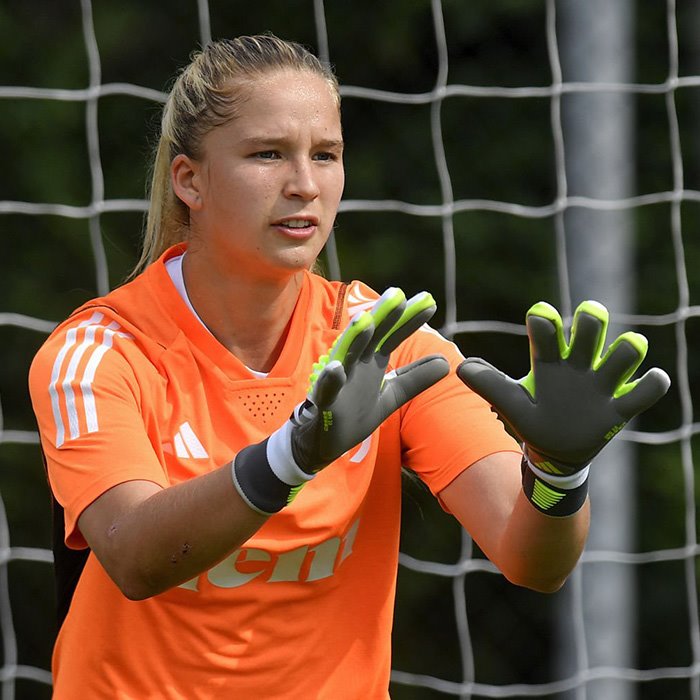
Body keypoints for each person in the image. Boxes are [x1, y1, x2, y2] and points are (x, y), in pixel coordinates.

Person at [28, 34, 670, 699]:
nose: (304, 184)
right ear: (190, 180)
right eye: (267, 154)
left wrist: (557, 475)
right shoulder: (100, 353)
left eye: (325, 155)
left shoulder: (386, 343)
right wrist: (290, 458)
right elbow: (134, 555)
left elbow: (531, 559)